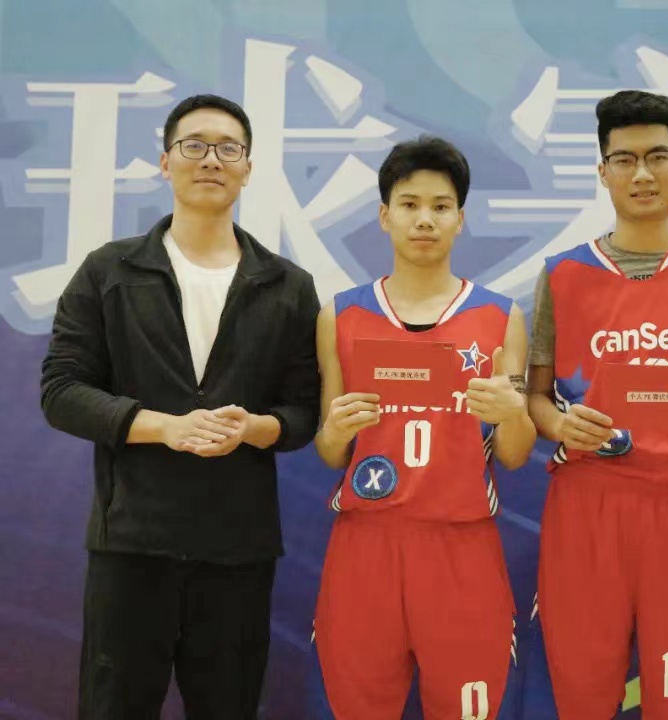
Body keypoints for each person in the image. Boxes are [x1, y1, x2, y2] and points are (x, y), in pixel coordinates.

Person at [40, 94, 322, 719]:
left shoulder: (287, 286)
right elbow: (61, 391)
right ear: (165, 162)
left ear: (248, 168)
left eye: (228, 148)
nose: (211, 160)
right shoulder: (109, 271)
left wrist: (256, 428)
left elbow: (306, 411)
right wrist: (164, 427)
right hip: (132, 545)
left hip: (238, 550)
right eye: (194, 145)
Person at [524, 89, 668, 719]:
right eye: (625, 160)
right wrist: (562, 425)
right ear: (602, 172)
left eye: (658, 156)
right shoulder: (562, 274)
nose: (643, 174)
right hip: (588, 503)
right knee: (578, 689)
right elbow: (536, 397)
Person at [312, 135, 536, 719]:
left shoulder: (500, 317)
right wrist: (335, 431)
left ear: (461, 218)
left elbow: (515, 454)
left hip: (462, 542)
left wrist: (511, 413)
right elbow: (331, 451)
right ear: (384, 215)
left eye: (441, 206)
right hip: (367, 541)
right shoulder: (340, 314)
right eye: (409, 204)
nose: (425, 220)